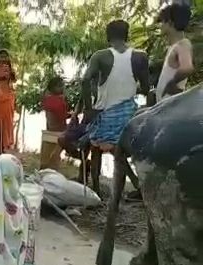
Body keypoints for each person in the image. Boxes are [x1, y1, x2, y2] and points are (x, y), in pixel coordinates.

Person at [81, 19, 149, 196]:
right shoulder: (140, 56)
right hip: (129, 115)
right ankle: (135, 184)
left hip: (105, 114)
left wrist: (88, 109)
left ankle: (95, 189)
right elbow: (146, 89)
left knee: (96, 150)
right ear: (127, 35)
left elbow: (85, 80)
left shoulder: (100, 56)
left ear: (107, 36)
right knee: (120, 152)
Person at [155, 3, 194, 103]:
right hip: (165, 104)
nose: (161, 25)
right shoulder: (174, 46)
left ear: (170, 23)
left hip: (171, 105)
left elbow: (187, 68)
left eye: (163, 22)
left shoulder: (183, 44)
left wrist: (171, 84)